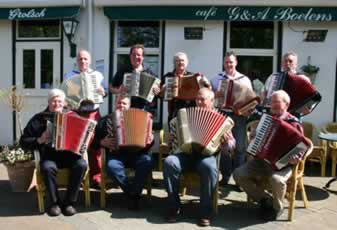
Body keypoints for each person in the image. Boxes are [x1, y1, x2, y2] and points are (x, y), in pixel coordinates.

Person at [163, 88, 235, 227]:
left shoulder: (222, 120)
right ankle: (173, 206)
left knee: (209, 167)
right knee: (169, 162)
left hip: (206, 156)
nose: (199, 102)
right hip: (185, 154)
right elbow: (172, 130)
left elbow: (232, 145)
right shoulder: (185, 115)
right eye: (197, 99)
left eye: (203, 99)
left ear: (212, 101)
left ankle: (205, 212)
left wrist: (227, 143)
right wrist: (171, 138)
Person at [233, 90, 305, 221]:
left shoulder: (294, 123)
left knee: (276, 180)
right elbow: (257, 140)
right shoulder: (266, 120)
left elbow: (301, 147)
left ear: (286, 104)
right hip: (262, 161)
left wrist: (297, 158)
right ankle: (265, 199)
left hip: (283, 164)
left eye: (277, 102)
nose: (273, 105)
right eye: (271, 102)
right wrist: (255, 137)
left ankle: (277, 208)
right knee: (238, 174)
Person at [19, 89, 87, 217]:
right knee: (47, 167)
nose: (56, 104)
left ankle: (69, 202)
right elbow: (23, 141)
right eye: (53, 101)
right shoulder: (39, 119)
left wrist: (86, 138)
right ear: (49, 102)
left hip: (70, 155)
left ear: (64, 103)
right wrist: (40, 139)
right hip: (50, 156)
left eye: (59, 101)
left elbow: (84, 135)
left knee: (81, 164)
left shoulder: (73, 116)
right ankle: (54, 203)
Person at [91, 95, 154, 210]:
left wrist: (150, 140)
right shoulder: (106, 120)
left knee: (148, 161)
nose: (121, 105)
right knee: (111, 167)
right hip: (117, 155)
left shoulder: (140, 118)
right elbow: (93, 143)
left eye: (124, 103)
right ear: (115, 104)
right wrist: (102, 142)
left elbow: (149, 143)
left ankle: (132, 193)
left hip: (137, 154)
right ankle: (133, 194)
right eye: (119, 103)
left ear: (129, 106)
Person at [64, 49, 106, 188]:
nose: (83, 61)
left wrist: (102, 92)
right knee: (77, 146)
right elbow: (69, 97)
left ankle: (96, 176)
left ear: (90, 60)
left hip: (93, 112)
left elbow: (104, 92)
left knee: (95, 146)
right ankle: (79, 177)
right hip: (77, 113)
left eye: (85, 59)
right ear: (77, 61)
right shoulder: (70, 76)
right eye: (80, 59)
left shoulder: (97, 75)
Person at [210, 51, 253, 187]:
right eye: (227, 62)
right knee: (224, 147)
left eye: (231, 62)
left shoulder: (244, 79)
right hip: (222, 114)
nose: (229, 64)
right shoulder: (216, 79)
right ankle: (226, 175)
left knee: (240, 147)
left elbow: (250, 100)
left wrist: (243, 109)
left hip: (239, 117)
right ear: (224, 63)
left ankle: (239, 178)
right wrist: (215, 94)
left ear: (236, 63)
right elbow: (209, 98)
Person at [160, 52, 211, 122]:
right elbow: (160, 95)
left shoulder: (194, 76)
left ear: (187, 63)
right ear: (174, 63)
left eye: (182, 60)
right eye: (178, 60)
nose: (180, 62)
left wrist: (206, 83)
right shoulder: (168, 76)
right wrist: (163, 91)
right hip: (174, 112)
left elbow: (206, 91)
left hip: (191, 112)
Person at [110, 44, 160, 109]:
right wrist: (119, 91)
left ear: (143, 57)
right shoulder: (123, 71)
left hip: (143, 109)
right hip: (125, 108)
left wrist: (157, 91)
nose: (136, 57)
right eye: (133, 55)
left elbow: (157, 94)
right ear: (130, 56)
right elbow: (111, 88)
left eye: (138, 55)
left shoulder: (150, 73)